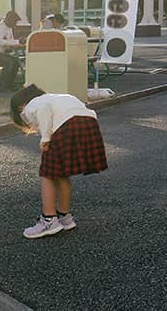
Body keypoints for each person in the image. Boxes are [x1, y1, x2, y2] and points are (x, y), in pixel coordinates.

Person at [10, 84, 108, 239]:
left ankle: (49, 220)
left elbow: (43, 112)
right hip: (89, 124)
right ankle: (65, 217)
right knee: (60, 173)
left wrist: (45, 139)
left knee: (47, 174)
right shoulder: (58, 97)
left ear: (21, 106)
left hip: (66, 127)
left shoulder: (32, 104)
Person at [0, 11, 24, 90]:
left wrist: (19, 42)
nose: (15, 24)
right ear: (9, 20)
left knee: (15, 62)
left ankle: (8, 84)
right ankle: (1, 85)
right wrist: (18, 42)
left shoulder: (9, 28)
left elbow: (10, 41)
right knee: (10, 62)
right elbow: (2, 42)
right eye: (14, 22)